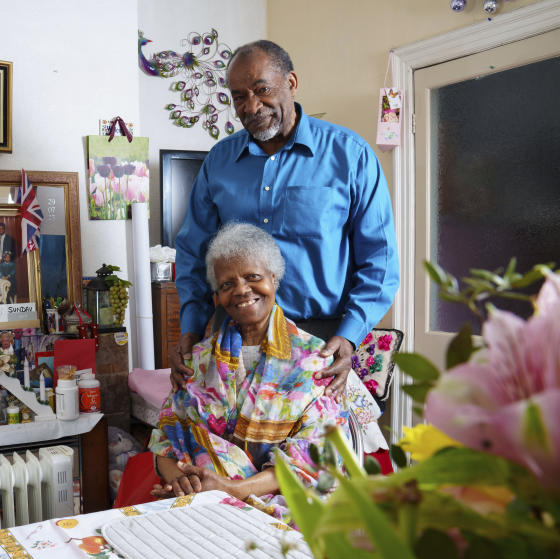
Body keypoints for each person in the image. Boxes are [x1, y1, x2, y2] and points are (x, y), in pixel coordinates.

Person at [171, 40, 399, 399]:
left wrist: (351, 334)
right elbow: (192, 253)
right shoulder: (219, 162)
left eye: (261, 90)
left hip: (320, 341)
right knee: (224, 448)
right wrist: (190, 327)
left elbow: (381, 262)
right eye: (239, 97)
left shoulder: (350, 155)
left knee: (311, 453)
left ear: (291, 83)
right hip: (234, 340)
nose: (251, 106)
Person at [148, 224, 384, 524]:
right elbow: (167, 435)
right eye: (227, 284)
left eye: (253, 277)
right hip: (202, 501)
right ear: (217, 296)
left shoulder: (316, 360)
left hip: (285, 502)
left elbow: (315, 456)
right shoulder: (198, 359)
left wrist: (233, 489)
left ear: (274, 277)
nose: (242, 290)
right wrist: (181, 482)